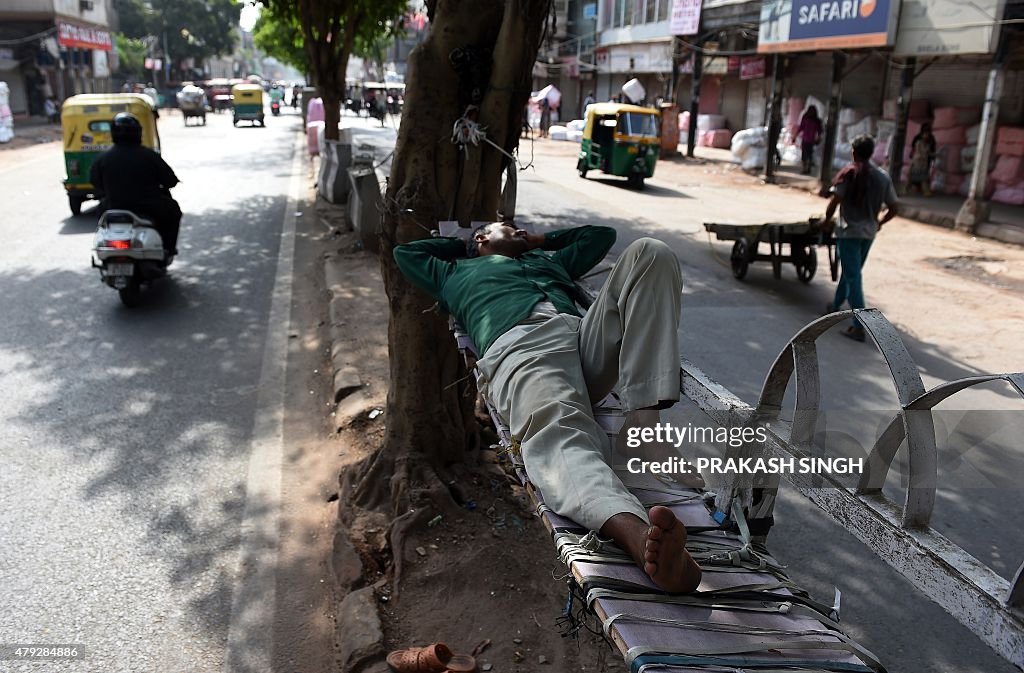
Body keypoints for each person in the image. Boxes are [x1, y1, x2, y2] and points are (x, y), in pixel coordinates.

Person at [393, 223, 703, 594]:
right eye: (505, 227)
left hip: (582, 336)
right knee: (558, 433)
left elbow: (599, 237)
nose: (518, 229)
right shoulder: (451, 271)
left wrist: (537, 242)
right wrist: (461, 242)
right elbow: (406, 253)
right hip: (522, 346)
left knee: (650, 251)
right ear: (480, 239)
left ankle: (642, 424)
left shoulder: (544, 260)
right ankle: (640, 539)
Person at [824, 135, 899, 342]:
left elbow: (834, 201)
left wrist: (825, 222)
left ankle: (859, 325)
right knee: (851, 273)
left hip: (849, 233)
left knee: (853, 277)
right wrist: (880, 223)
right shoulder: (882, 177)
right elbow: (894, 208)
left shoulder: (849, 174)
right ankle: (836, 305)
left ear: (854, 152)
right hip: (868, 233)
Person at [90, 113, 182, 257]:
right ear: (138, 133)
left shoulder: (103, 158)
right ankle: (168, 250)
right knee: (173, 211)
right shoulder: (149, 156)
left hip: (113, 207)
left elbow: (95, 183)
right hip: (149, 208)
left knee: (99, 215)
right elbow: (170, 180)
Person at [907, 122, 936, 196]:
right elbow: (918, 150)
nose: (926, 135)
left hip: (925, 162)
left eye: (927, 133)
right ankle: (913, 188)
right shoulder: (918, 141)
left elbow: (931, 150)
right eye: (925, 133)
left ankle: (924, 190)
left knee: (923, 176)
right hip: (918, 161)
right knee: (915, 177)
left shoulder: (931, 139)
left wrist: (932, 156)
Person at [798, 106, 823, 174]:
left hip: (806, 139)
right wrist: (819, 138)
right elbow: (820, 131)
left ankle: (804, 169)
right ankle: (807, 168)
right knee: (809, 155)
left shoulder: (806, 118)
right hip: (811, 140)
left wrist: (795, 135)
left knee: (805, 155)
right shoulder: (816, 120)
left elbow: (801, 127)